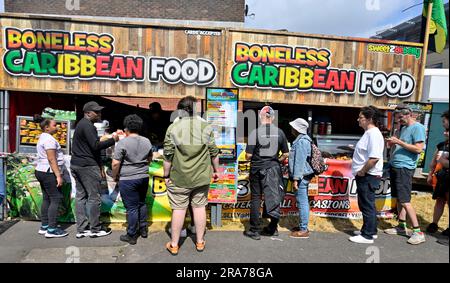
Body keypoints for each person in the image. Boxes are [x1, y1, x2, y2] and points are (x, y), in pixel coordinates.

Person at [163, 96, 220, 255]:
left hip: (179, 177)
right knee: (200, 207)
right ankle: (200, 242)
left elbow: (168, 155)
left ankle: (174, 244)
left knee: (179, 209)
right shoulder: (206, 127)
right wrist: (216, 171)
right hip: (201, 176)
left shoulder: (173, 128)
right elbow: (214, 152)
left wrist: (166, 175)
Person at [71, 101, 120, 238]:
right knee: (94, 197)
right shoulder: (87, 125)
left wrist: (99, 165)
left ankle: (82, 228)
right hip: (86, 166)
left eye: (99, 111)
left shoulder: (83, 124)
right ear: (88, 113)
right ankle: (95, 229)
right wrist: (113, 139)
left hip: (77, 164)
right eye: (96, 111)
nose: (99, 113)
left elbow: (91, 146)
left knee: (81, 196)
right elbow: (95, 146)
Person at [244, 106, 289, 240]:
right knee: (273, 197)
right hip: (273, 169)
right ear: (273, 118)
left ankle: (254, 230)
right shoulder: (280, 132)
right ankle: (273, 228)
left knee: (256, 198)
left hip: (257, 169)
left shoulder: (255, 132)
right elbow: (286, 153)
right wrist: (277, 160)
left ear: (260, 117)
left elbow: (248, 155)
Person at [384, 104, 426, 245]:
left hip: (405, 168)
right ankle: (402, 226)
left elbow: (418, 149)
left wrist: (399, 142)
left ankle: (418, 232)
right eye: (397, 118)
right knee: (400, 199)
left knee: (405, 200)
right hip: (395, 165)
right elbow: (398, 145)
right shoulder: (402, 128)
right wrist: (391, 143)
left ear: (409, 114)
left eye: (401, 118)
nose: (399, 121)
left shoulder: (418, 128)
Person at [112, 115, 152, 245]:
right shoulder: (147, 141)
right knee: (141, 203)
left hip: (128, 178)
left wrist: (114, 176)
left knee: (132, 208)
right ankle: (144, 229)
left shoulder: (123, 143)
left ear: (126, 129)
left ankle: (132, 234)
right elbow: (150, 158)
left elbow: (115, 164)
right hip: (144, 177)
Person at [348, 106, 385, 244]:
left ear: (369, 119)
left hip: (368, 175)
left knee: (366, 204)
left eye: (361, 117)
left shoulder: (373, 134)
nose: (358, 120)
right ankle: (370, 230)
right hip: (366, 175)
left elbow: (374, 157)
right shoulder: (369, 133)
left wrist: (363, 171)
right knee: (367, 204)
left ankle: (367, 235)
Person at [33, 115, 69, 238]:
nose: (57, 127)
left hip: (41, 171)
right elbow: (51, 158)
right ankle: (52, 229)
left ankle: (45, 226)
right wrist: (58, 176)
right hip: (49, 172)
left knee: (47, 198)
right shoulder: (49, 140)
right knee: (56, 198)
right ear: (47, 127)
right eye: (54, 125)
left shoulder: (43, 137)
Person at [288, 118, 314, 239]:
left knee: (302, 202)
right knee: (301, 201)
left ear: (297, 129)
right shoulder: (301, 140)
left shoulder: (302, 141)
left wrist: (296, 179)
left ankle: (304, 229)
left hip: (301, 176)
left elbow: (299, 162)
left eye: (293, 127)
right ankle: (302, 226)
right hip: (303, 175)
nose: (291, 129)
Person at [426, 110, 449, 235]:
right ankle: (434, 223)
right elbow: (433, 162)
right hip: (441, 177)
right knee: (439, 200)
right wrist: (430, 174)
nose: (443, 125)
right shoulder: (441, 145)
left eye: (444, 121)